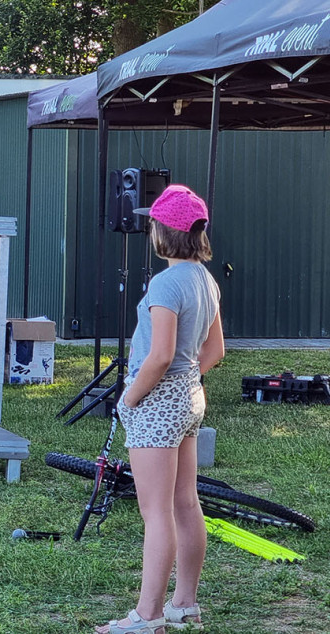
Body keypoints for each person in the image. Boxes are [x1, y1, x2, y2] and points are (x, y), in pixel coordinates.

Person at [95, 185, 225, 634]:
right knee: (186, 503)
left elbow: (161, 355)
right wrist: (188, 380)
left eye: (152, 222)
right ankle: (184, 605)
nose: (149, 228)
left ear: (163, 231)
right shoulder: (205, 279)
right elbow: (216, 350)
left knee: (156, 512)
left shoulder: (165, 282)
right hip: (189, 398)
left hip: (158, 400)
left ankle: (147, 616)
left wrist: (129, 397)